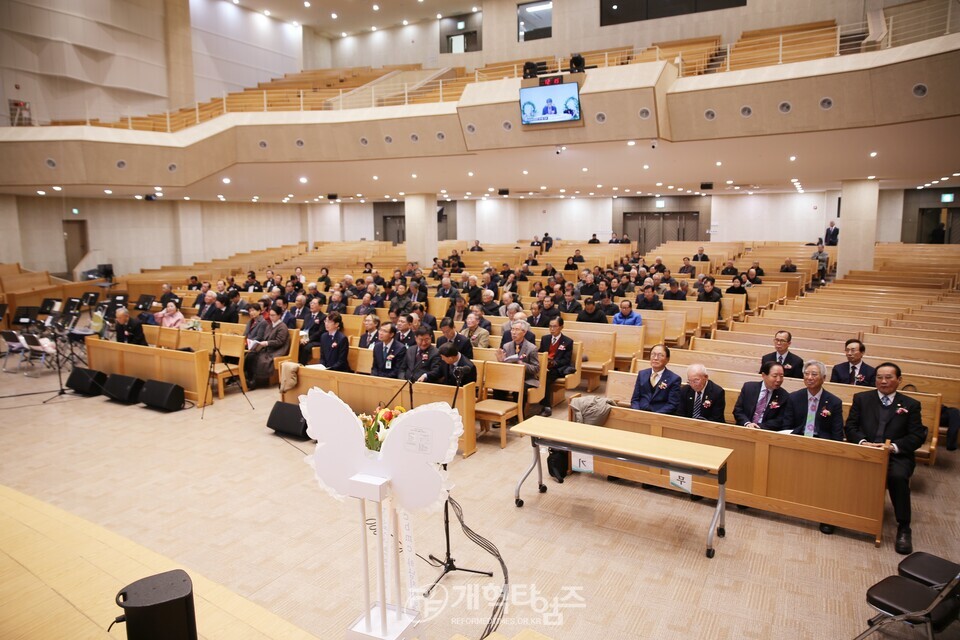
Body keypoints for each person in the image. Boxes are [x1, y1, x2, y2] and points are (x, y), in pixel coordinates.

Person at [844, 363, 926, 555]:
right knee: (842, 470)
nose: (883, 381)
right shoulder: (862, 399)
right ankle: (838, 516)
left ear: (899, 380)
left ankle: (904, 526)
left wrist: (893, 447)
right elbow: (851, 427)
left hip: (895, 455)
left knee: (897, 477)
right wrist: (863, 442)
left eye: (889, 377)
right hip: (866, 451)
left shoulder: (910, 405)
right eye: (879, 377)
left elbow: (916, 436)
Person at [733, 361, 789, 430]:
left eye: (781, 376)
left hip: (765, 431)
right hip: (743, 428)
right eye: (775, 376)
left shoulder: (784, 396)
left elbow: (779, 420)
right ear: (763, 375)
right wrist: (747, 423)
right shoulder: (748, 387)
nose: (778, 380)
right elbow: (738, 410)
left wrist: (758, 427)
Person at [537, 317, 574, 417]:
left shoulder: (567, 341)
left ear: (561, 327)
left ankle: (546, 406)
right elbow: (540, 352)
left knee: (546, 377)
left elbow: (566, 360)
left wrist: (554, 363)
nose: (552, 329)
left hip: (556, 368)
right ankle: (533, 398)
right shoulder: (545, 338)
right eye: (550, 326)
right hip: (544, 365)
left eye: (555, 326)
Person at [630, 344, 681, 413]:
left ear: (667, 359)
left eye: (660, 355)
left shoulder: (674, 379)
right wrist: (637, 412)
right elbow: (635, 399)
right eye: (653, 354)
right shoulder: (642, 374)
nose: (655, 358)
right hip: (640, 413)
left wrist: (655, 416)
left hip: (660, 416)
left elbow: (672, 404)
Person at [497, 319, 540, 396]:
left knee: (519, 389)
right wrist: (501, 361)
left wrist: (522, 364)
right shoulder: (506, 346)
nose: (513, 332)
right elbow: (505, 366)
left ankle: (519, 408)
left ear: (524, 332)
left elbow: (536, 368)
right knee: (498, 387)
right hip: (510, 376)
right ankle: (501, 407)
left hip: (527, 379)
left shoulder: (532, 348)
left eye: (517, 330)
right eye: (512, 329)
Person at [248, 305, 290, 386]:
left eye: (273, 315)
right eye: (270, 315)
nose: (271, 317)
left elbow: (279, 341)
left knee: (261, 360)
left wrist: (267, 343)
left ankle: (258, 381)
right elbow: (265, 337)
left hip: (277, 350)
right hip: (267, 348)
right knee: (251, 355)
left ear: (279, 315)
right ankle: (250, 378)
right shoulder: (270, 325)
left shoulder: (282, 327)